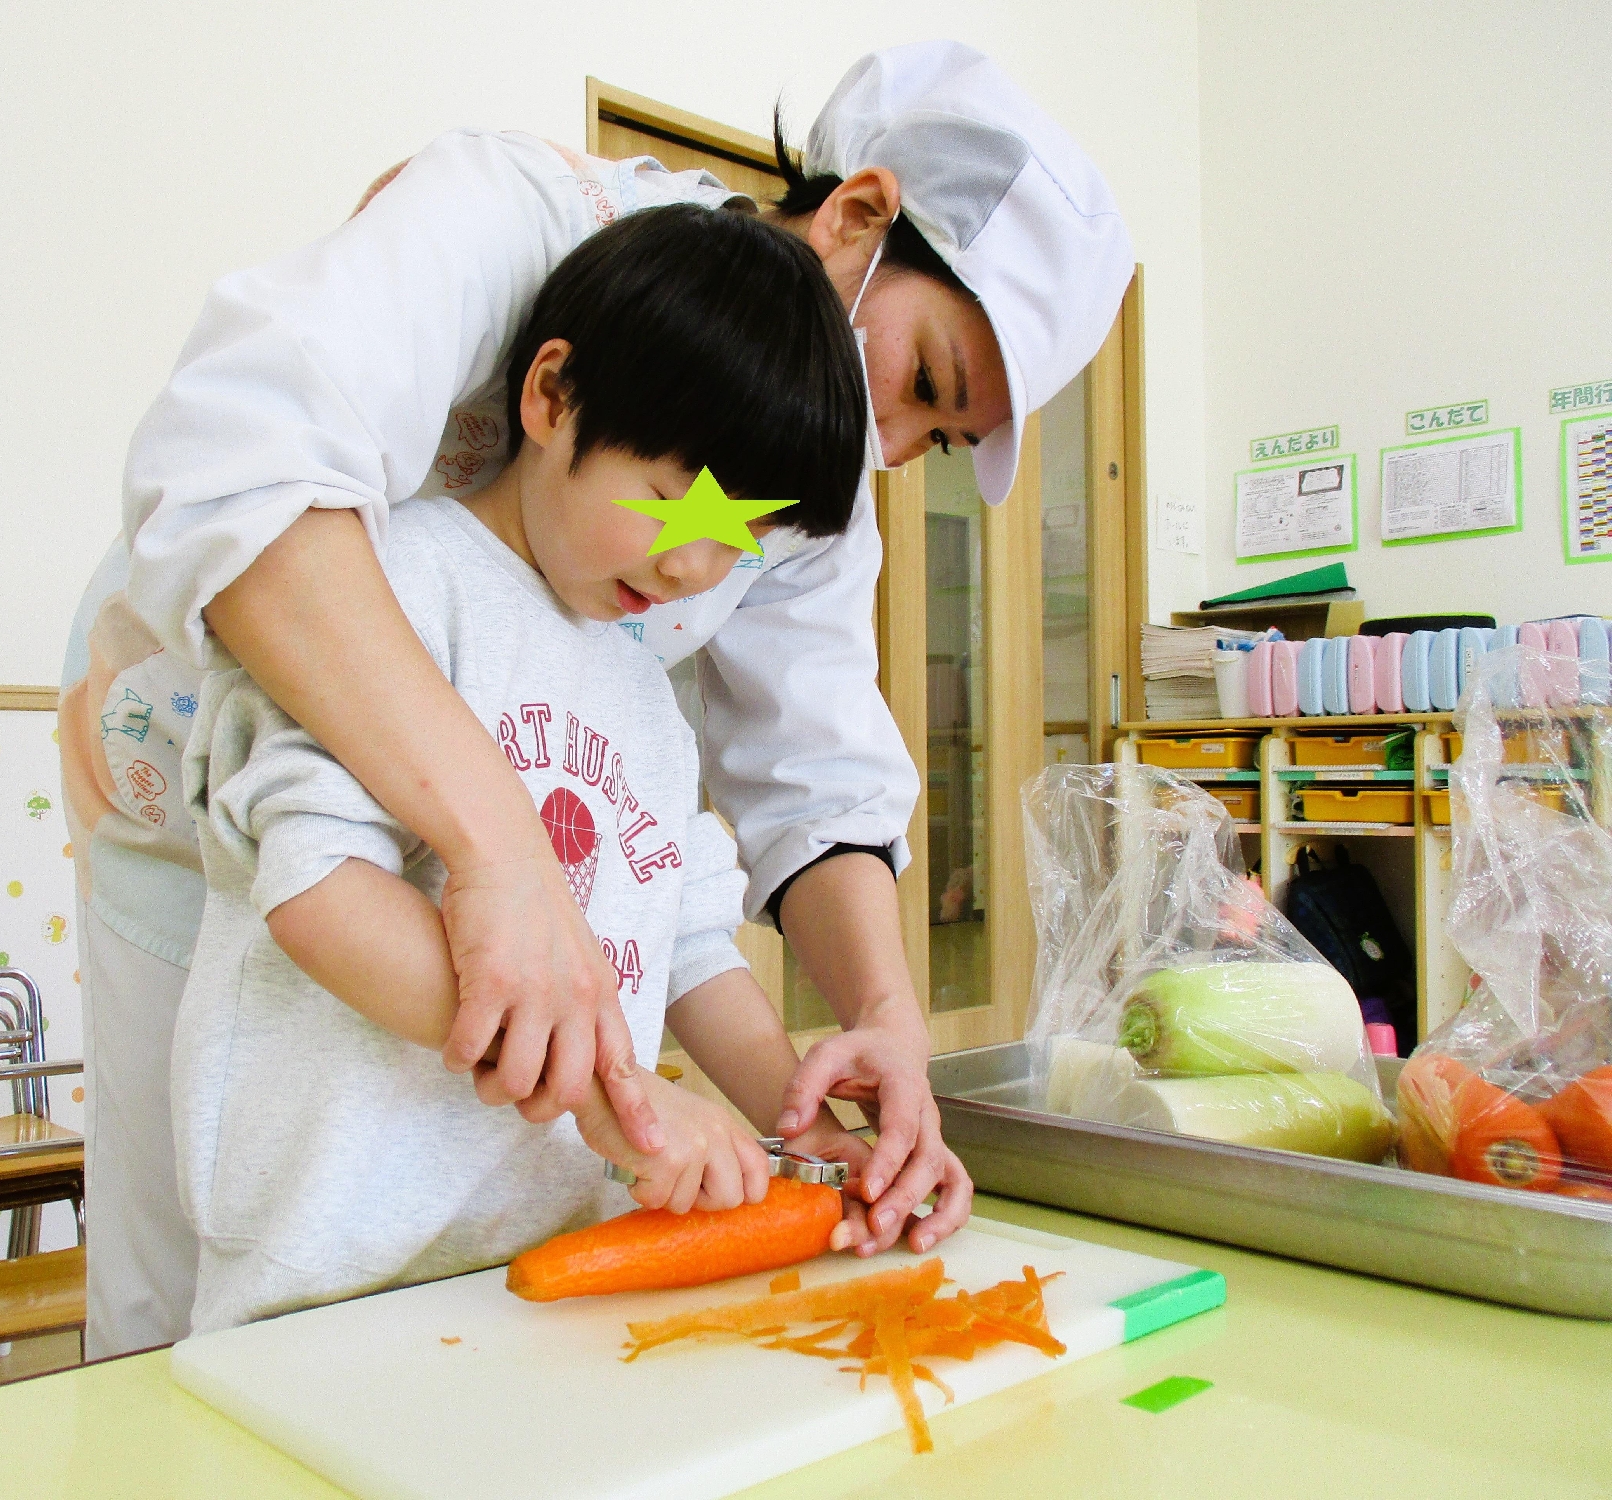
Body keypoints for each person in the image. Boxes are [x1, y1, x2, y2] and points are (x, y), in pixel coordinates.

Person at [60, 38, 1134, 1356]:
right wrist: (513, 879)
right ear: (860, 217)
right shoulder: (509, 229)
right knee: (180, 1299)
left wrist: (873, 1036)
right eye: (922, 383)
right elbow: (245, 475)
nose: (892, 446)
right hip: (225, 792)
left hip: (505, 1080)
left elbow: (806, 774)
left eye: (937, 443)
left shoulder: (710, 568)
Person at [174, 205, 872, 1329]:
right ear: (551, 396)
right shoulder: (392, 588)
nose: (696, 568)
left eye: (742, 537)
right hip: (335, 1267)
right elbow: (318, 897)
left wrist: (812, 1135)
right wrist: (614, 1095)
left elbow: (693, 948)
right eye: (675, 504)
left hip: (548, 1256)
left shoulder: (645, 694)